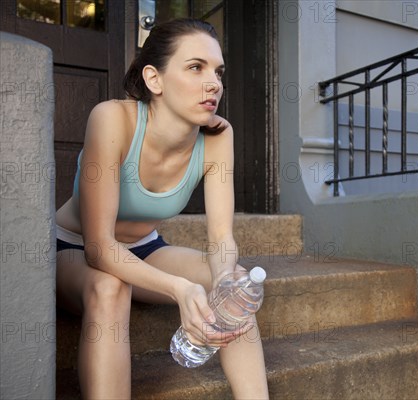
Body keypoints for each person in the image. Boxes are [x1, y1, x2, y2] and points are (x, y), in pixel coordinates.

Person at [55, 18, 269, 399]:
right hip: (73, 247)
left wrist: (221, 281)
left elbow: (221, 238)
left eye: (218, 72)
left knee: (236, 283)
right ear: (154, 79)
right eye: (195, 67)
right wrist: (179, 289)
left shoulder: (219, 135)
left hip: (145, 248)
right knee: (109, 287)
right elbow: (99, 247)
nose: (214, 84)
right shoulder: (113, 119)